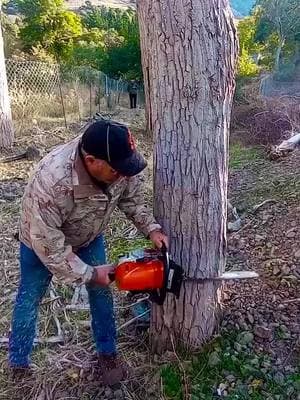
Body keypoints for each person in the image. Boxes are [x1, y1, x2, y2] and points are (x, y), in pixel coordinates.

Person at [9, 119, 168, 385]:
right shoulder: (52, 182)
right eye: (117, 170)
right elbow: (50, 246)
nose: (123, 175)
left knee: (102, 294)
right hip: (40, 243)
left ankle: (107, 353)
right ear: (92, 161)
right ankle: (19, 364)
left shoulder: (119, 164)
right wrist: (90, 273)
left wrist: (151, 229)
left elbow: (132, 200)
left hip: (88, 235)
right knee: (29, 299)